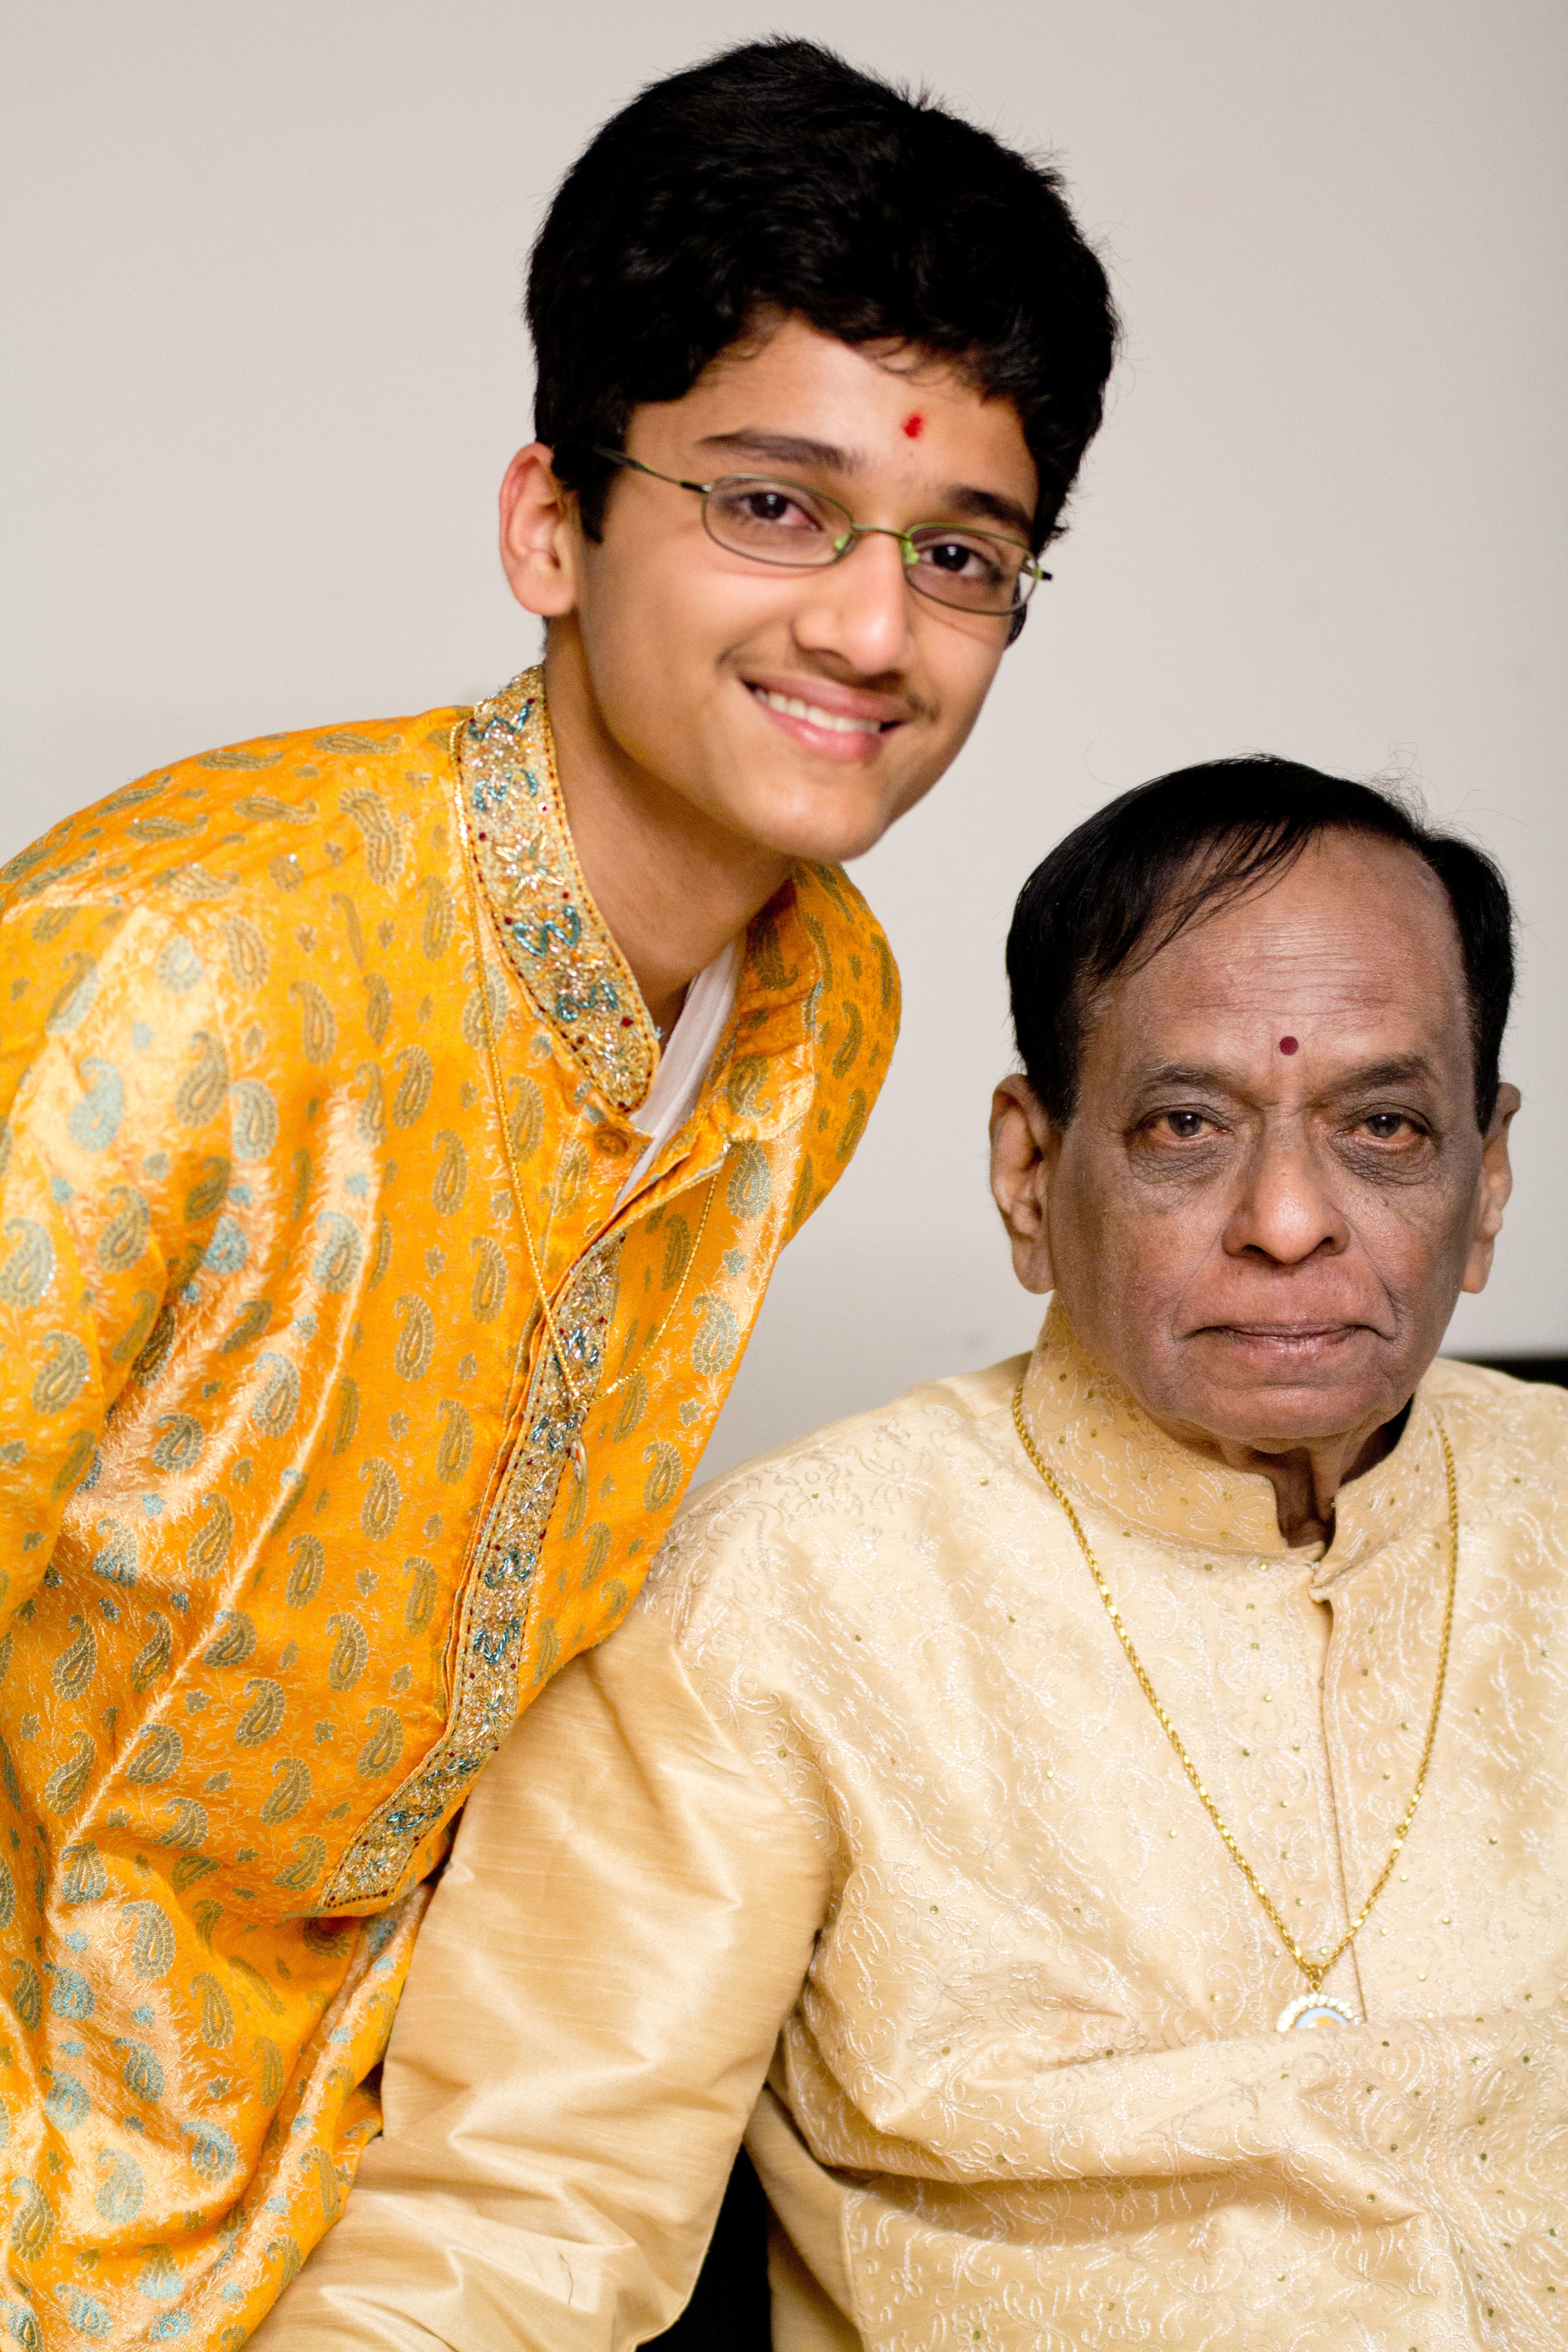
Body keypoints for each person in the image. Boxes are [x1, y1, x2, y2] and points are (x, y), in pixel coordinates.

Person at [0, 38, 1118, 2344]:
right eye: (773, 507)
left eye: (962, 553)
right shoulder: (183, 965)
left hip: (428, 2184)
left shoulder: (833, 1016)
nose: (874, 633)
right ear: (548, 524)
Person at [256, 759, 1567, 2349]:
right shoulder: (779, 1602)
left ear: (1483, 1178)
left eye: (1380, 1125)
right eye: (1183, 1125)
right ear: (1029, 1171)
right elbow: (517, 2220)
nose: (1286, 1217)